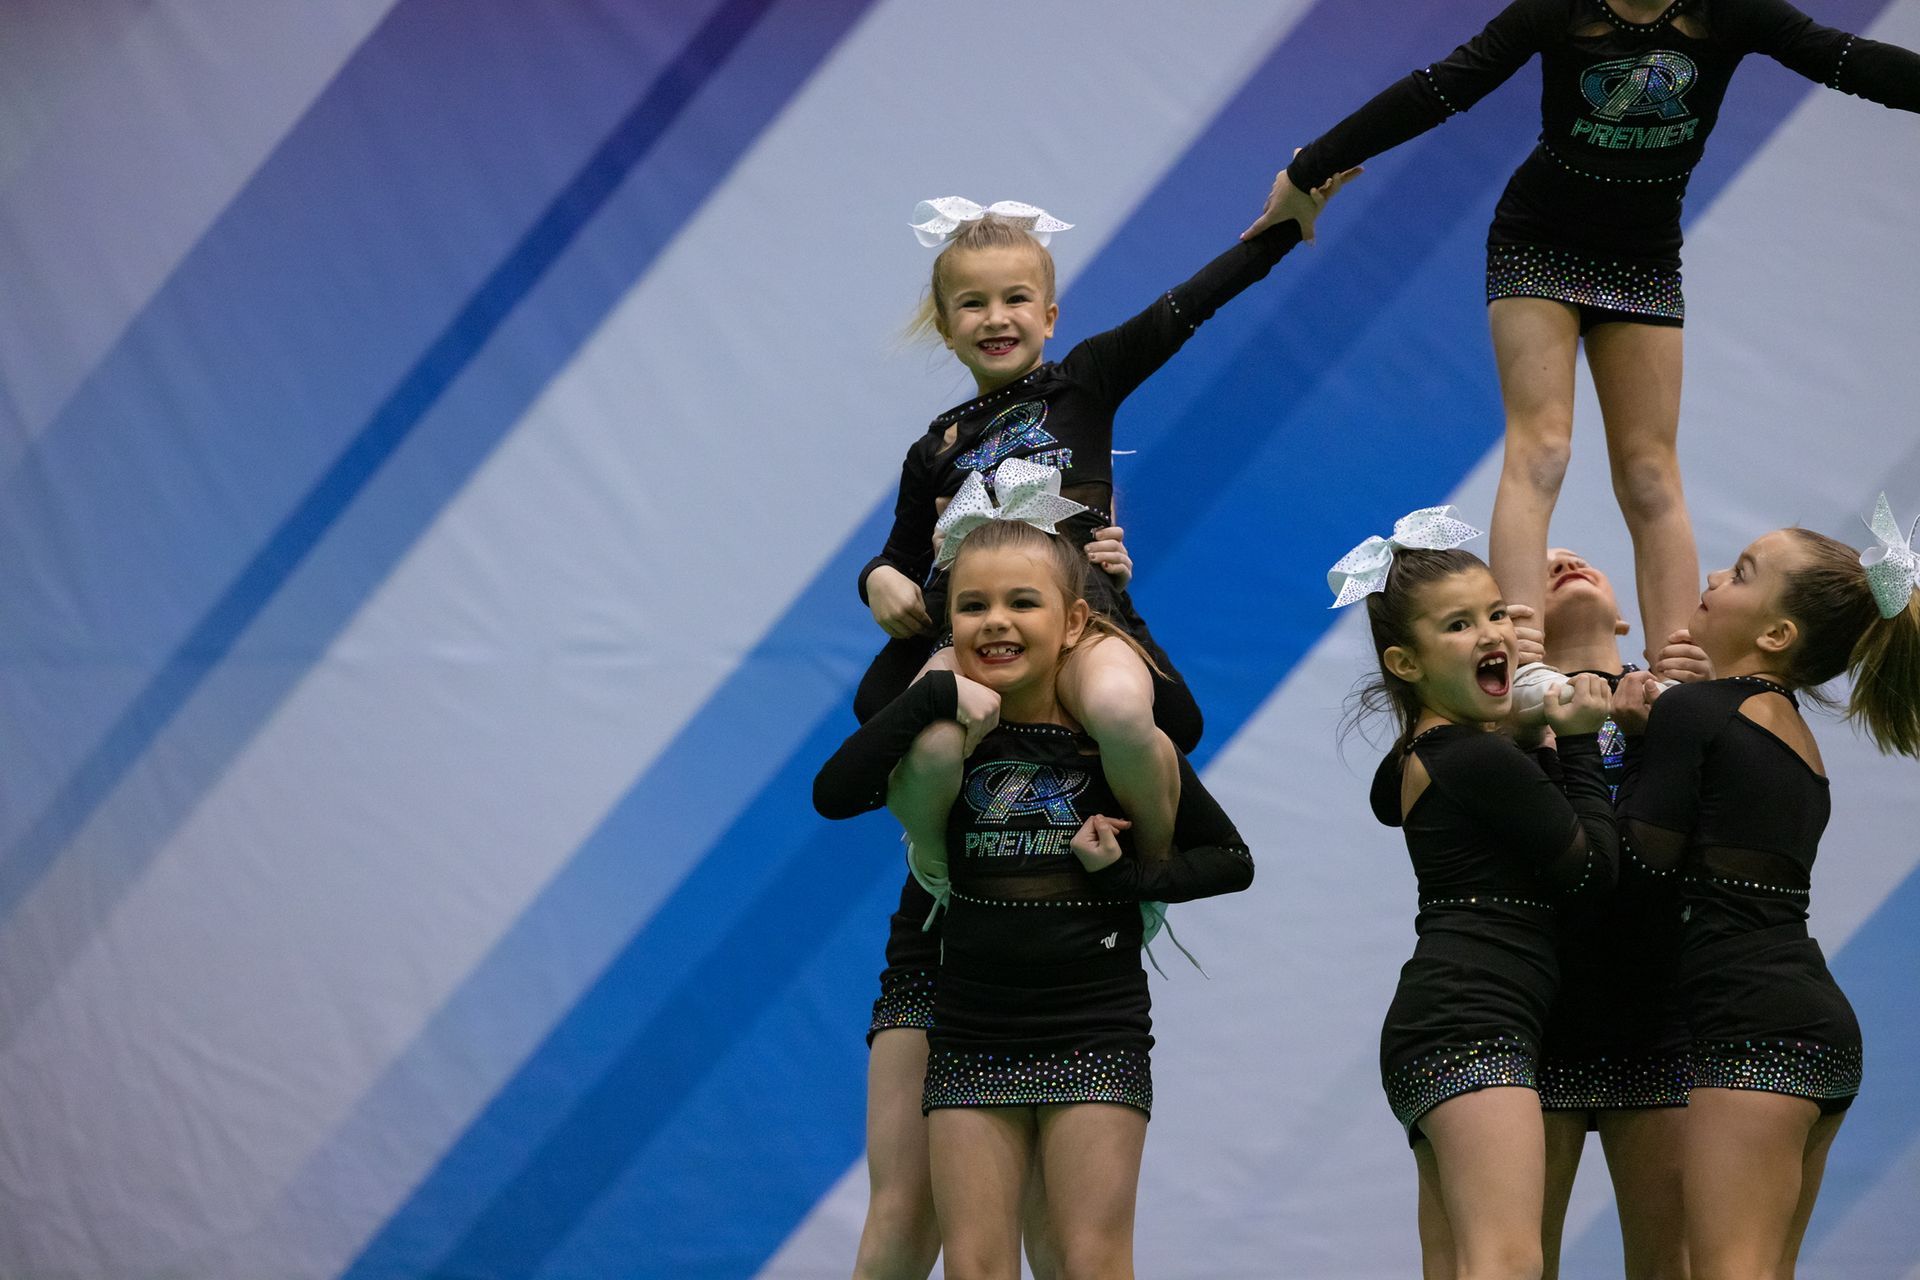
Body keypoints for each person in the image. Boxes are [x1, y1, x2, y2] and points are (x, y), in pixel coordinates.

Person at [1247, 0, 1920, 696]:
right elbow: (1438, 89)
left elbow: (1848, 61)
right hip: (1538, 241)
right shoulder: (1558, 10)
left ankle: (1678, 678)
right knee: (1543, 449)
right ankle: (1522, 656)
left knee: (1651, 472)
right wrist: (1309, 170)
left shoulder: (1731, 11)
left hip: (1643, 255)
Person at [817, 514, 1255, 1279]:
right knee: (971, 1260)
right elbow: (834, 793)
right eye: (974, 607)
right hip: (970, 1022)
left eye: (1022, 603)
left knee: (1086, 1258)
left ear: (1074, 622)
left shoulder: (1108, 739)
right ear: (949, 624)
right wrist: (930, 689)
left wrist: (1126, 880)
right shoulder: (951, 735)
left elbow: (1228, 857)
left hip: (1091, 1023)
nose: (997, 622)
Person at [1609, 499, 1920, 1278]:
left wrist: (1612, 746)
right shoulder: (1792, 735)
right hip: (1815, 1031)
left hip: (1753, 1035)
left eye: (1741, 574)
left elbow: (1636, 870)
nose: (1715, 577)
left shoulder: (1696, 713)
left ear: (1777, 634)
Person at [1333, 507, 1617, 1278]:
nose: (1492, 634)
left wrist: (1523, 738)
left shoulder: (1426, 754)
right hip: (1473, 1027)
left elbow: (1392, 796)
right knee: (1509, 1261)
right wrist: (1578, 742)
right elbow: (1592, 874)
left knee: (1462, 1262)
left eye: (1496, 614)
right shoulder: (1474, 759)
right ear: (1405, 662)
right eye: (1458, 625)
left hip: (1442, 1025)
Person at [1525, 549, 1689, 1279]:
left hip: (1659, 1013)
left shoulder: (1682, 703)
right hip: (1533, 1018)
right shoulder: (1500, 715)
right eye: (1542, 565)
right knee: (1515, 1262)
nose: (1563, 560)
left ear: (1626, 620)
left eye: (1580, 557)